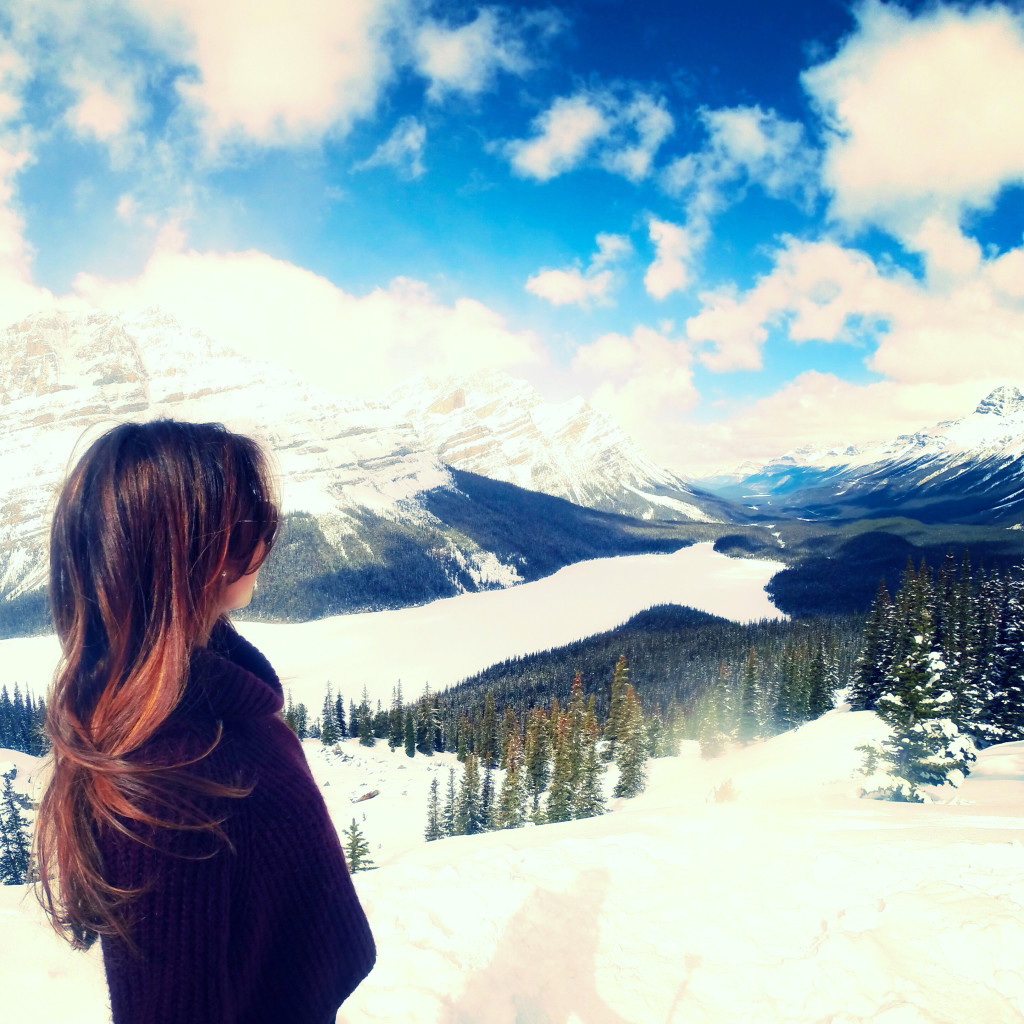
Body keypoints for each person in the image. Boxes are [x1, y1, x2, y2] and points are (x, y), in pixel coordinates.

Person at [35, 419, 376, 1024]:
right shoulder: (168, 786)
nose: (265, 543)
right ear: (179, 557)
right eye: (243, 527)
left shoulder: (213, 702)